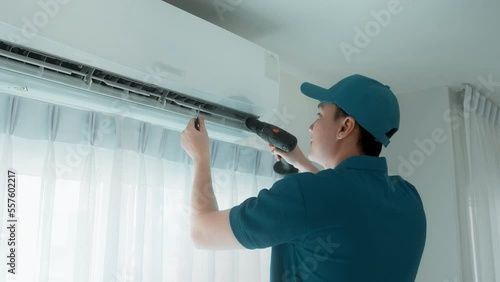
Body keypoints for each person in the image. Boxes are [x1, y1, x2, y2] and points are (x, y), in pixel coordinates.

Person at [181, 74, 427, 282]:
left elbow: (202, 233)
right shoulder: (408, 198)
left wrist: (201, 156)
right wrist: (301, 162)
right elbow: (345, 207)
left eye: (319, 115)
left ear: (345, 127)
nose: (311, 126)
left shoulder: (306, 193)